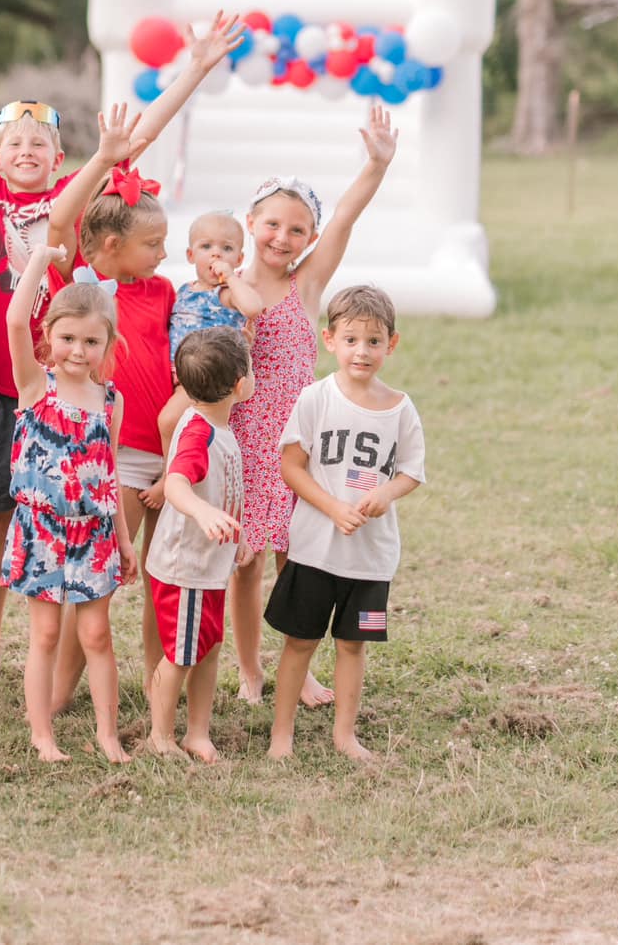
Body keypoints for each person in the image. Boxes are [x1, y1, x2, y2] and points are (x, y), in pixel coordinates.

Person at [0, 0, 241, 698]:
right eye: (13, 143)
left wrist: (194, 67)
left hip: (66, 394)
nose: (25, 152)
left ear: (60, 159)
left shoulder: (73, 199)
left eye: (40, 145)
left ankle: (63, 668)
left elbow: (135, 140)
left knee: (74, 530)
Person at [227, 106, 397, 707]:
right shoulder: (227, 285)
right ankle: (250, 669)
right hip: (244, 434)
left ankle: (297, 666)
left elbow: (346, 217)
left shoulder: (306, 285)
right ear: (251, 221)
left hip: (300, 440)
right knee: (245, 562)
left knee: (296, 555)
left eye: (297, 230)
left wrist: (376, 163)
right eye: (272, 224)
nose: (283, 238)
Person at [41, 107, 177, 700]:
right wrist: (102, 156)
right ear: (114, 244)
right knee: (98, 583)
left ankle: (157, 684)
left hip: (165, 454)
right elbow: (61, 218)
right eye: (153, 244)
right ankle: (61, 689)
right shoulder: (85, 290)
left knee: (159, 576)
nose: (163, 255)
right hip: (110, 454)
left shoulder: (165, 289)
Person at [266, 285, 424, 763]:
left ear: (391, 345)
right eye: (352, 340)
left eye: (374, 342)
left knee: (355, 645)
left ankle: (345, 735)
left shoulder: (400, 407)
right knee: (300, 642)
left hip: (371, 561)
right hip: (315, 552)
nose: (362, 351)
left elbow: (412, 472)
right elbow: (291, 466)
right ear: (329, 339)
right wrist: (333, 508)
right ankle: (281, 735)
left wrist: (384, 493)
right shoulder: (316, 399)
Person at [0, 243, 133, 763]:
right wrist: (39, 260)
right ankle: (42, 734)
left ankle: (107, 733)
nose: (78, 350)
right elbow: (15, 319)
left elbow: (111, 471)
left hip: (95, 533)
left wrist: (123, 537)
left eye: (91, 341)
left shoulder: (111, 400)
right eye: (68, 338)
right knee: (48, 632)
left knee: (97, 634)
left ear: (109, 343)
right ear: (49, 336)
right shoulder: (36, 386)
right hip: (42, 529)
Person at [143, 326, 254, 764]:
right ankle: (160, 735)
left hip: (209, 565)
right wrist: (202, 513)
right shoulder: (199, 434)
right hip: (184, 570)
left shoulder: (215, 425)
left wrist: (236, 539)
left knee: (206, 648)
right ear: (240, 386)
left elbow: (223, 491)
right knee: (181, 655)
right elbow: (176, 485)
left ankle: (197, 732)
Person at [156, 211, 264, 448]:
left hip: (205, 375)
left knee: (168, 420)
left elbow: (254, 308)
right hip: (180, 374)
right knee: (193, 432)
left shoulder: (226, 294)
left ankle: (168, 477)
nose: (216, 253)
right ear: (190, 255)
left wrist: (231, 277)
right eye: (206, 246)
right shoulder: (184, 290)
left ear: (238, 259)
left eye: (226, 248)